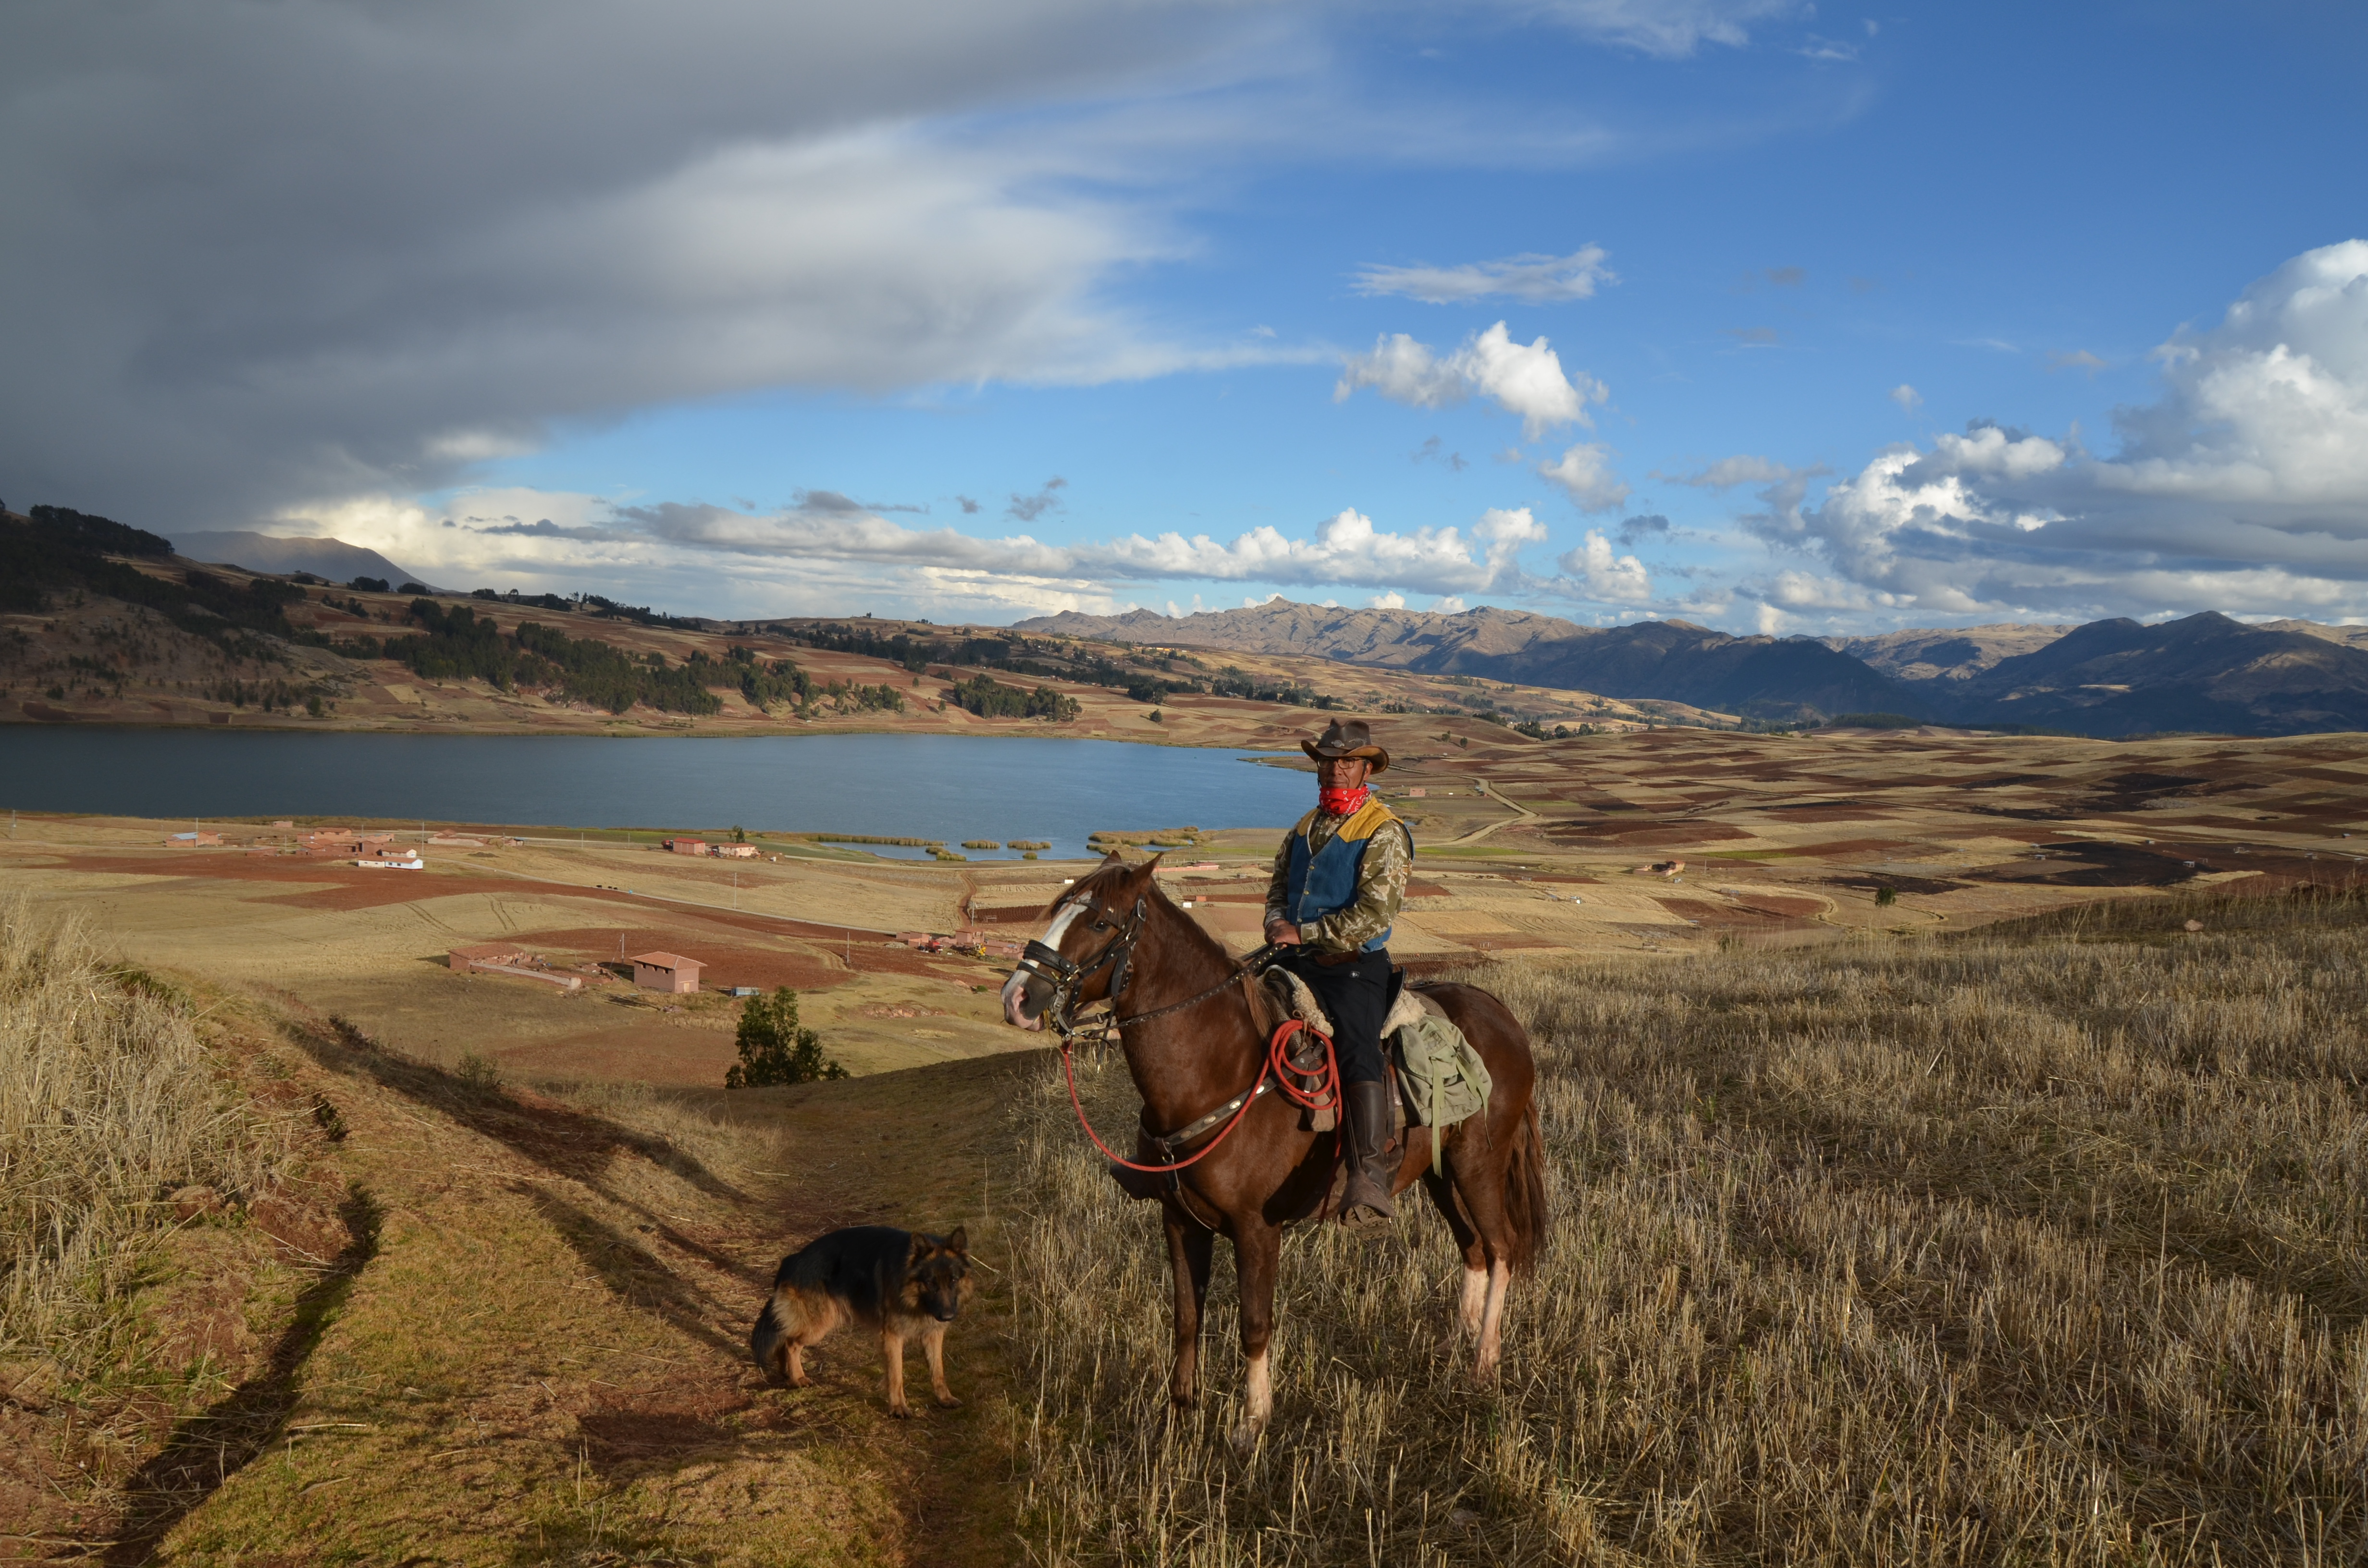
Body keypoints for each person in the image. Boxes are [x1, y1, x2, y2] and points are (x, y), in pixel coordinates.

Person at [1263, 718, 1412, 1232]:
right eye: (1326, 761)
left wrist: (1302, 935)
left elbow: (1375, 914)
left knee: (1356, 1048)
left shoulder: (1383, 831)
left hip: (1352, 967)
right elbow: (1278, 887)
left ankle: (1367, 1174)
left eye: (1345, 761)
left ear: (1366, 767)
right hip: (1296, 956)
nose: (1333, 770)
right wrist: (1274, 922)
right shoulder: (1306, 825)